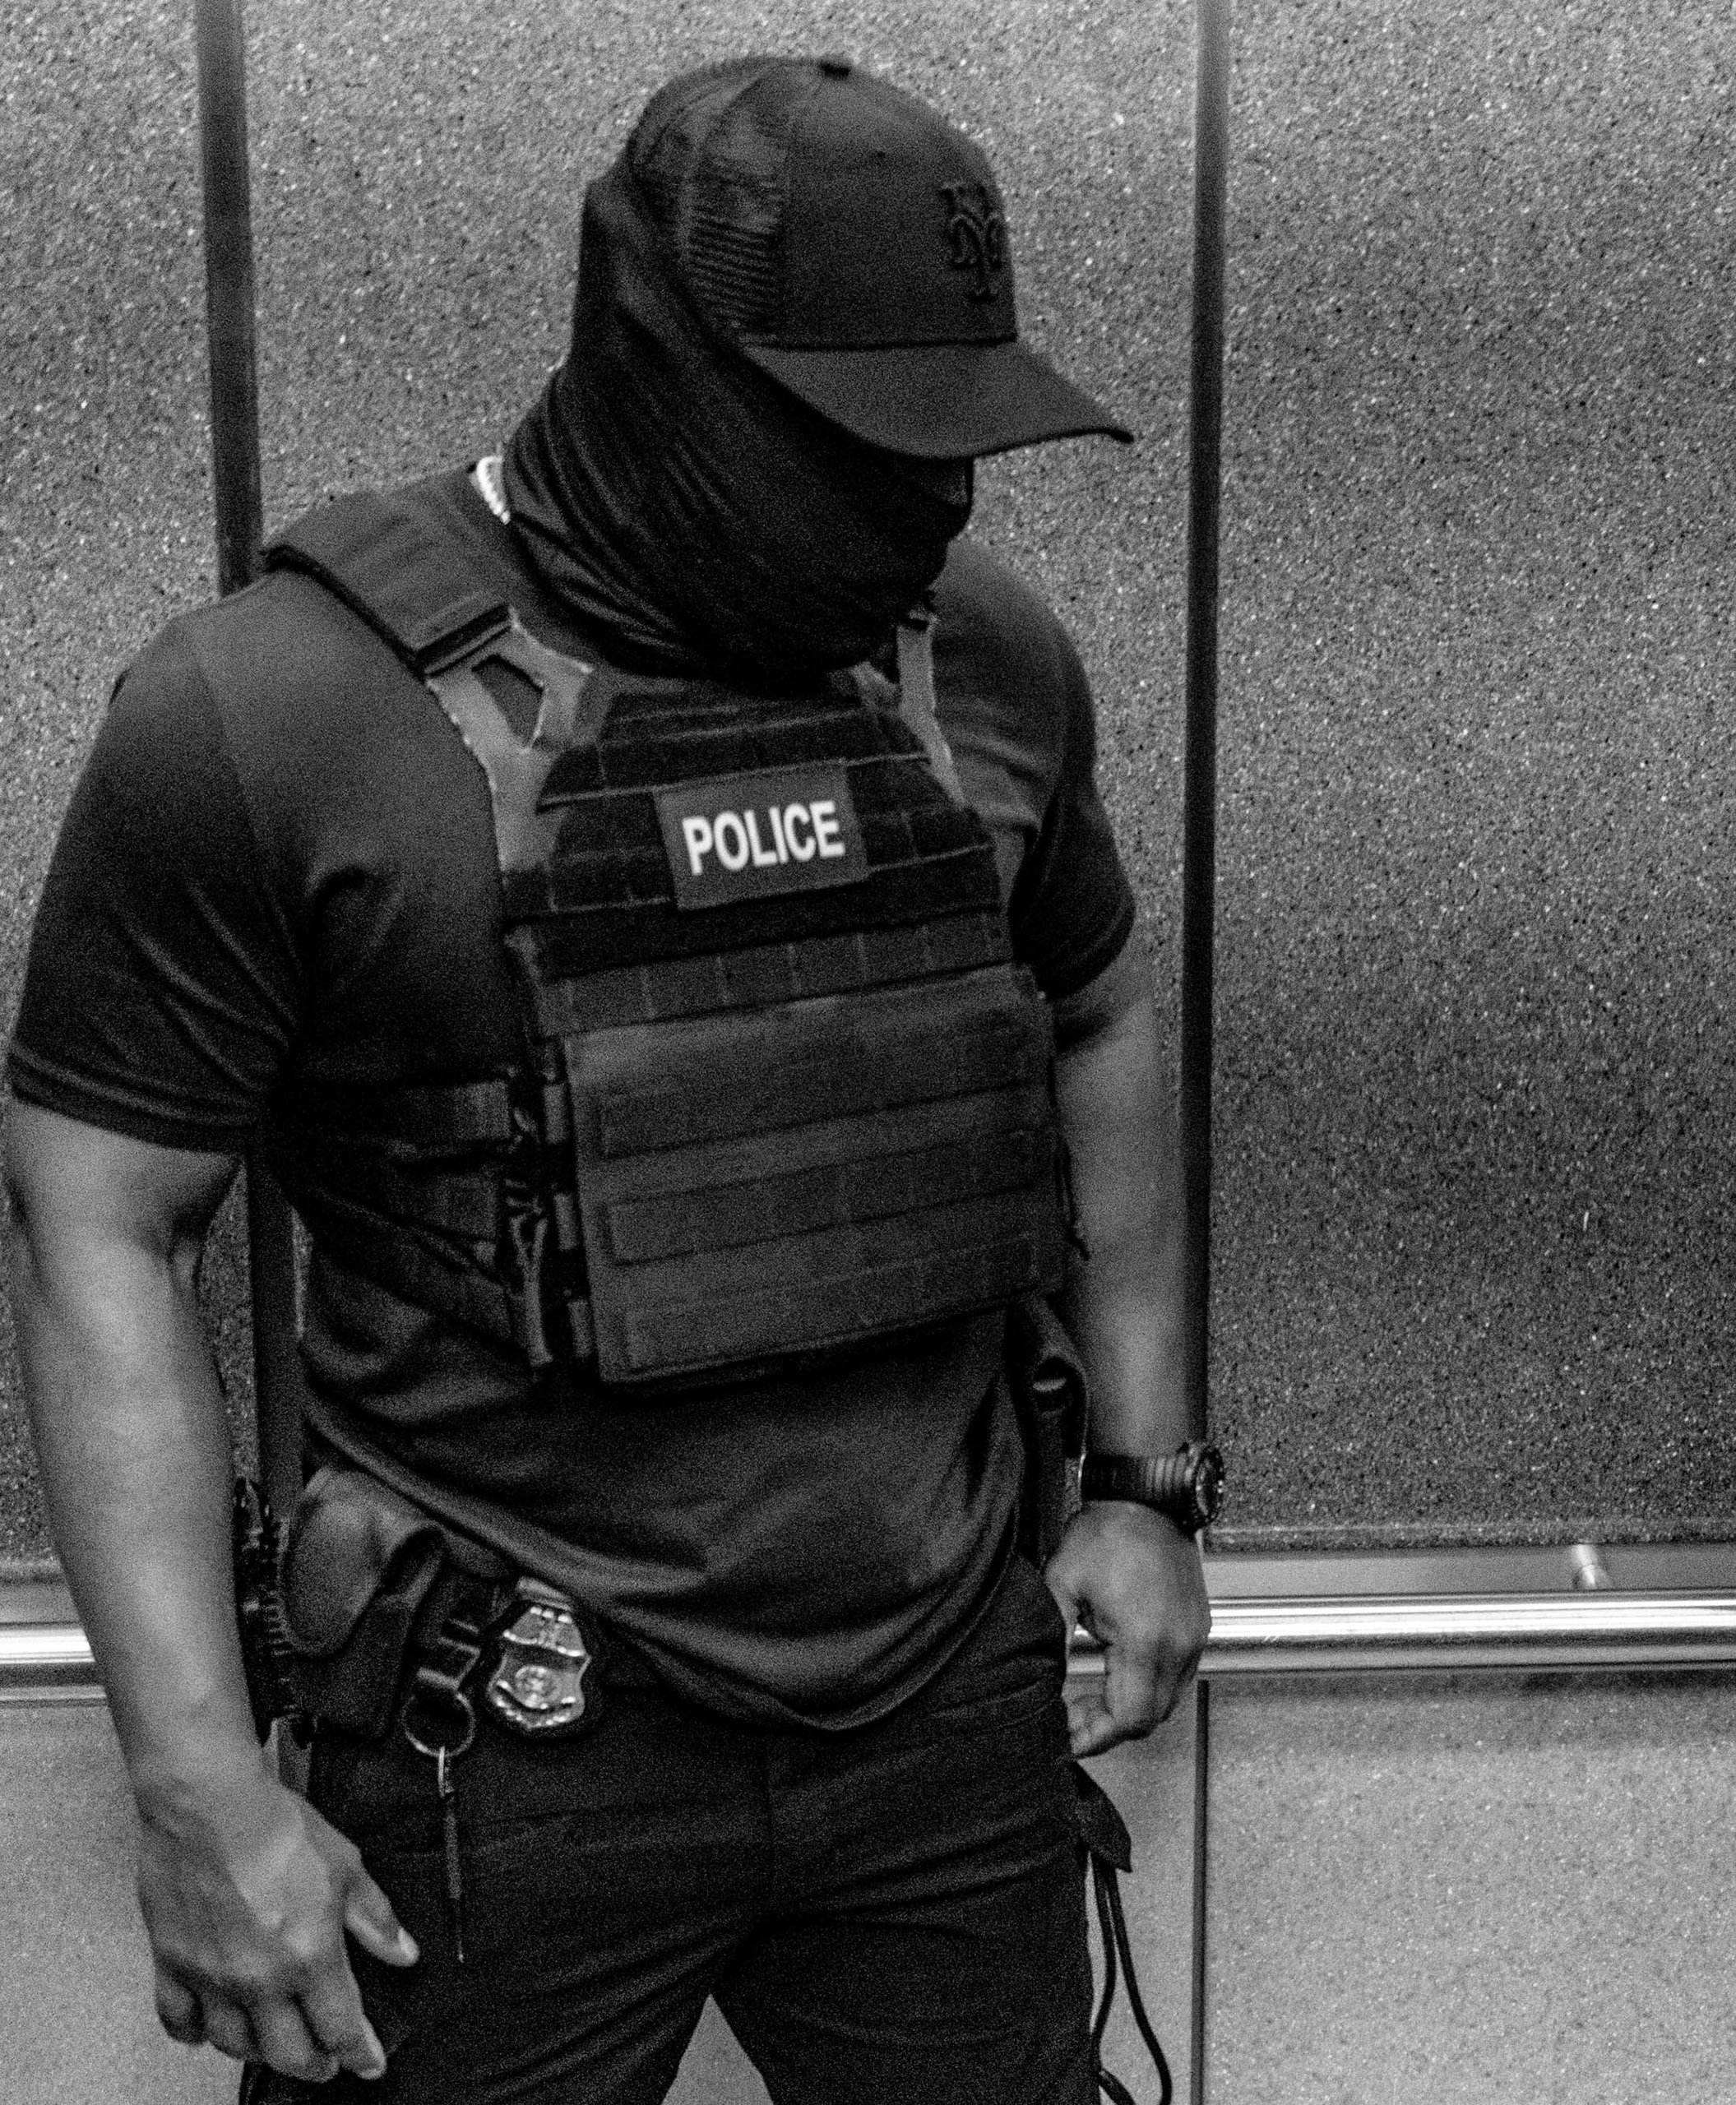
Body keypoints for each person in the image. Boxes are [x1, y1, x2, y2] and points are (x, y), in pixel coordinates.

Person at [4, 55, 1212, 2105]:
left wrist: (1142, 1484)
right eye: (864, 451)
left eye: (957, 444)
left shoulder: (982, 656)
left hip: (942, 1704)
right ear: (666, 377)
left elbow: (1094, 1012)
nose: (933, 511)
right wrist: (197, 1782)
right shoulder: (274, 710)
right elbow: (98, 1222)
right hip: (504, 1735)